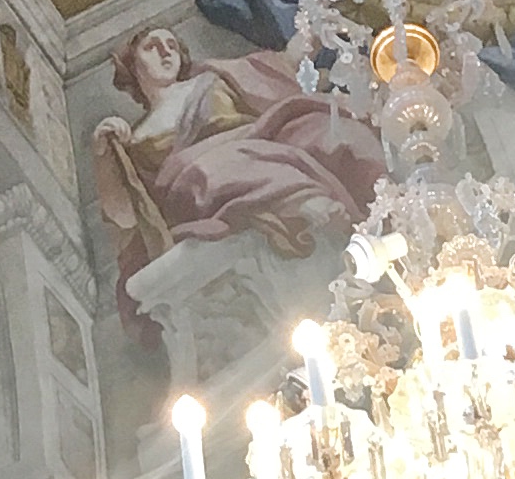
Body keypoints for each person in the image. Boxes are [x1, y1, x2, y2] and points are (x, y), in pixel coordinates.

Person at [90, 20, 385, 330]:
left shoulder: (210, 79)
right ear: (131, 63)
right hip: (198, 186)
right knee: (209, 167)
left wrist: (310, 28)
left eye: (172, 45)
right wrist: (104, 154)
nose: (166, 52)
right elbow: (126, 217)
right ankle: (302, 199)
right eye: (152, 46)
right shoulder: (134, 140)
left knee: (328, 131)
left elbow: (278, 68)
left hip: (263, 143)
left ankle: (384, 211)